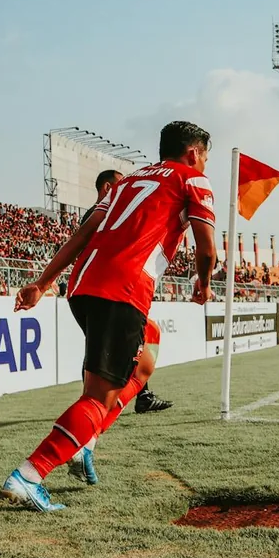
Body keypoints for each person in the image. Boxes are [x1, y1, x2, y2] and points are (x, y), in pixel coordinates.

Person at [3, 121, 218, 512]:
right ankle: (30, 475)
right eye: (205, 156)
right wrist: (203, 284)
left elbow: (82, 234)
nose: (205, 164)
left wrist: (43, 283)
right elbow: (207, 249)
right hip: (122, 290)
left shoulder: (125, 182)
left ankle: (84, 441)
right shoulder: (192, 180)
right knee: (97, 399)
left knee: (146, 357)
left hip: (83, 286)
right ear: (194, 153)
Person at [80, 169, 174, 415]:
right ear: (107, 188)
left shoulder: (106, 214)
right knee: (107, 350)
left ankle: (131, 397)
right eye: (120, 185)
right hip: (108, 292)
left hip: (106, 290)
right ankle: (92, 405)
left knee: (123, 347)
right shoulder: (100, 214)